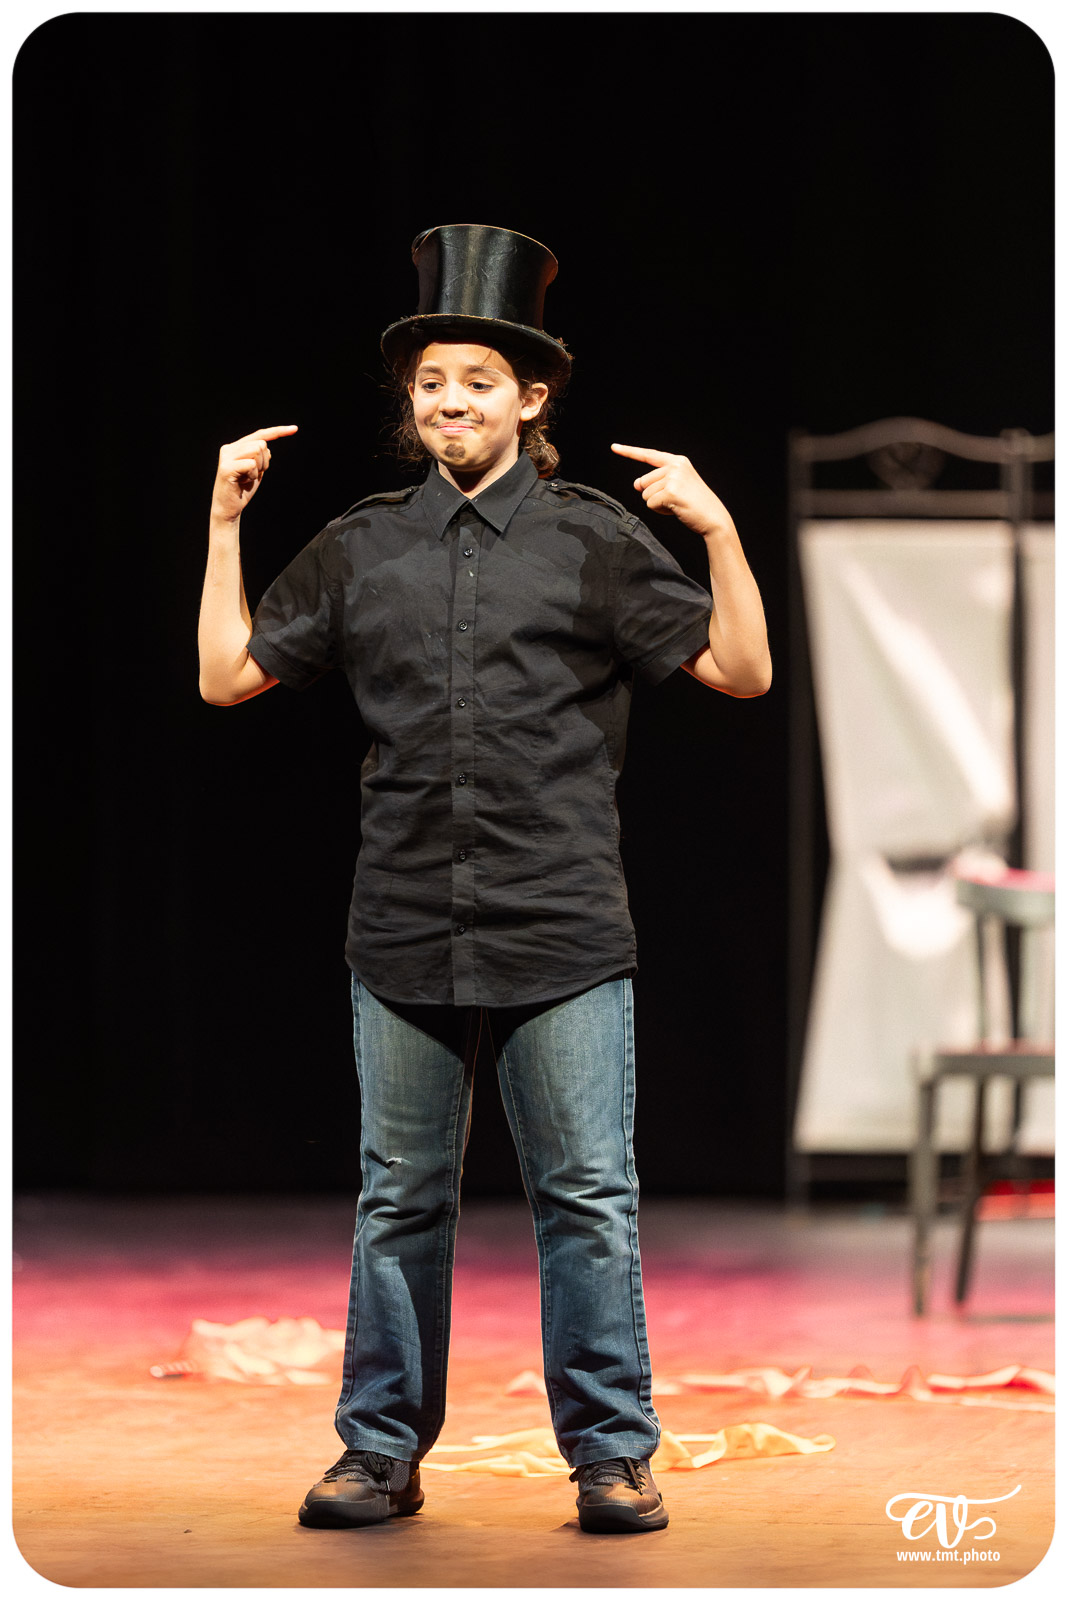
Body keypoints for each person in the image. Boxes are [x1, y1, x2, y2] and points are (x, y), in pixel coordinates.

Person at [197, 224, 771, 1535]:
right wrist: (225, 521)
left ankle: (612, 1455)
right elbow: (226, 676)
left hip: (561, 919)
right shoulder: (361, 545)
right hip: (404, 918)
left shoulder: (594, 539)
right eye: (430, 382)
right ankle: (379, 1450)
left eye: (477, 381)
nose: (450, 401)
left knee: (587, 1199)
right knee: (399, 1197)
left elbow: (741, 672)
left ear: (532, 398)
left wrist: (720, 530)